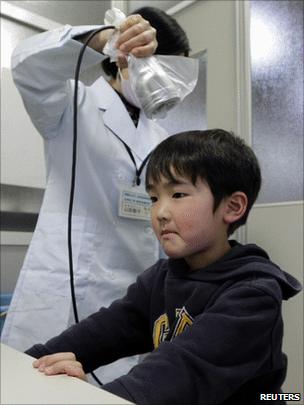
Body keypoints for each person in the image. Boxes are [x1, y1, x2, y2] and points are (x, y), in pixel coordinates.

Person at [25, 129, 301, 405]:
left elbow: (174, 374)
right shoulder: (162, 277)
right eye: (154, 198)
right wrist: (29, 363)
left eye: (178, 194)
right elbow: (102, 332)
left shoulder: (254, 295)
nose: (160, 212)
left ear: (232, 206)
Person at [1, 7, 192, 383]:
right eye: (166, 70)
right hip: (65, 289)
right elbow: (28, 65)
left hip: (128, 300)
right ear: (129, 57)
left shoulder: (163, 138)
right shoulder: (73, 104)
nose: (170, 85)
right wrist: (106, 37)